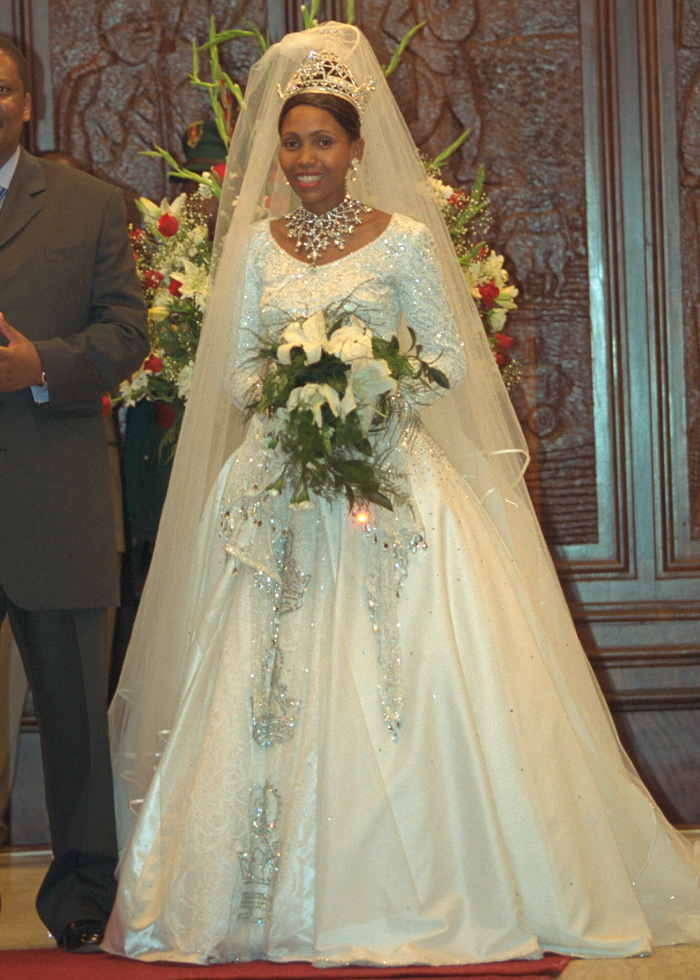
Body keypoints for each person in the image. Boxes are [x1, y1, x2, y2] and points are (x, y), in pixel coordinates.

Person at [103, 24, 700, 966]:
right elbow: (230, 374)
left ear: (356, 149)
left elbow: (451, 358)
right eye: (292, 142)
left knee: (405, 678)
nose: (305, 158)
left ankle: (426, 880)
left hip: (389, 484)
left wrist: (363, 401)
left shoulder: (408, 241)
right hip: (276, 492)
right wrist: (290, 397)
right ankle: (257, 894)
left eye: (322, 141)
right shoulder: (254, 249)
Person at [0, 37, 149, 950]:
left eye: (1, 85)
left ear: (27, 101)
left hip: (55, 498)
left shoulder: (91, 205)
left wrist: (39, 367)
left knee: (75, 726)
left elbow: (128, 333)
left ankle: (84, 897)